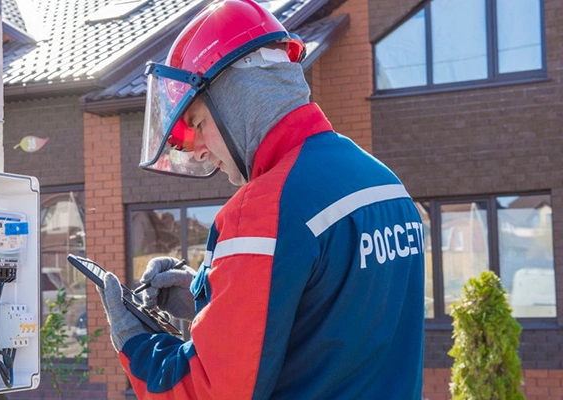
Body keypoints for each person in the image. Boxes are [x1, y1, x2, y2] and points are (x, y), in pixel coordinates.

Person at [96, 0, 425, 398]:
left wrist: (136, 344)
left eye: (198, 122)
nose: (198, 150)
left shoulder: (263, 209)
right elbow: (331, 320)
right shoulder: (383, 182)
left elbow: (211, 391)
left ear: (240, 98)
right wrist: (206, 292)